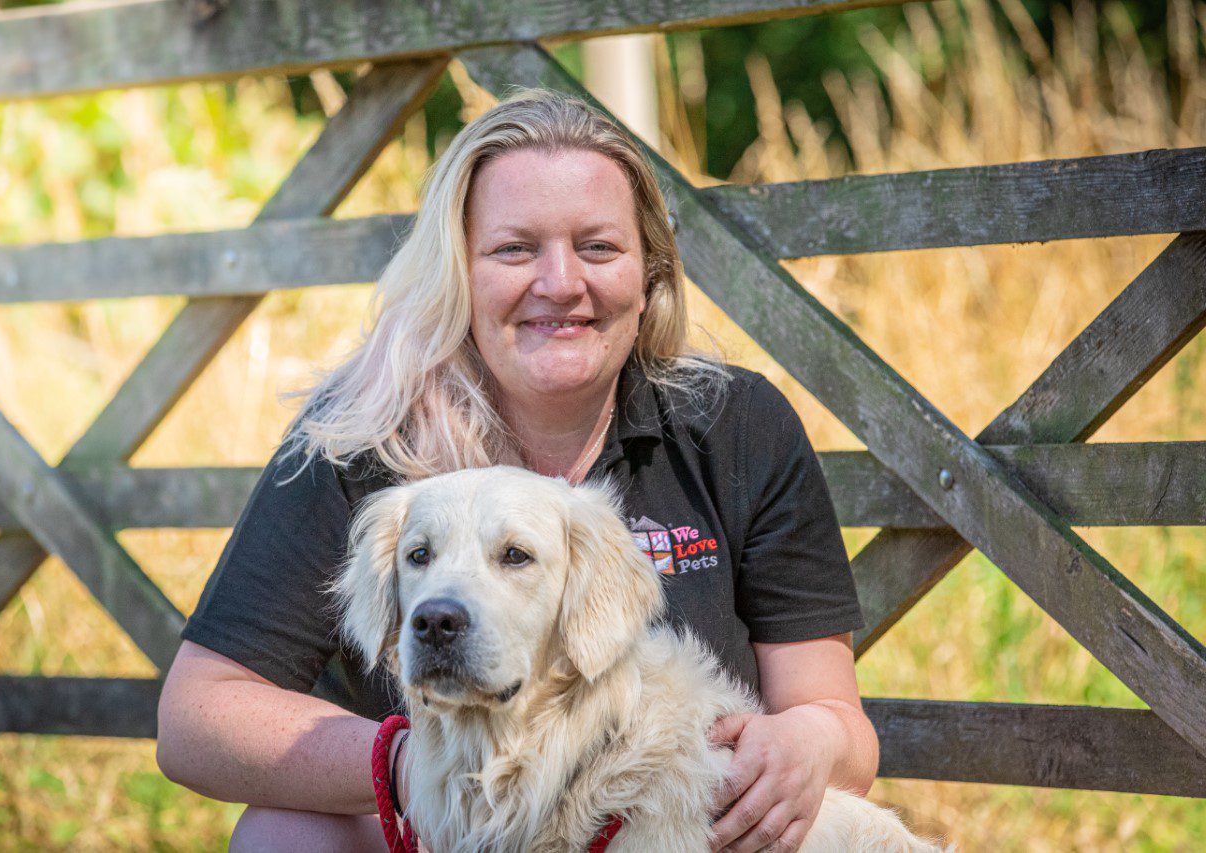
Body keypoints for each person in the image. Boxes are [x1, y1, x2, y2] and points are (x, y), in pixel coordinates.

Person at [156, 89, 878, 853]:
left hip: (666, 825)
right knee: (281, 836)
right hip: (435, 838)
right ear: (459, 271)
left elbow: (841, 730)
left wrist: (811, 742)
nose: (561, 283)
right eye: (515, 249)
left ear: (650, 274)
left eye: (598, 247)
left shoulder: (734, 425)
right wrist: (409, 767)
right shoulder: (360, 434)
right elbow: (198, 715)